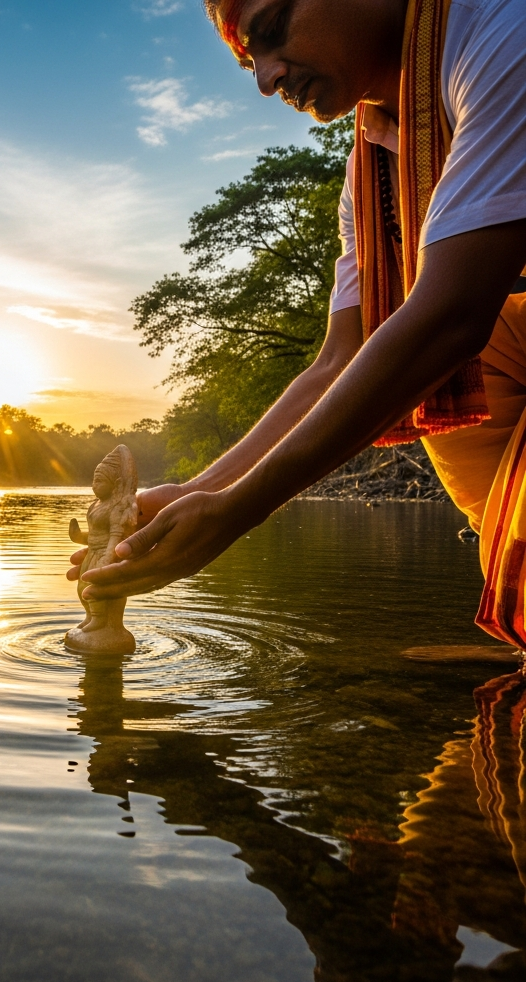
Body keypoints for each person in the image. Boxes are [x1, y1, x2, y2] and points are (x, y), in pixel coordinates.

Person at [71, 0, 526, 646]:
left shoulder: (502, 29)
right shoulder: (370, 168)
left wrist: (235, 513)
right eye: (249, 59)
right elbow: (341, 360)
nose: (265, 80)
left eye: (273, 29)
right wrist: (198, 491)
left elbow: (452, 317)